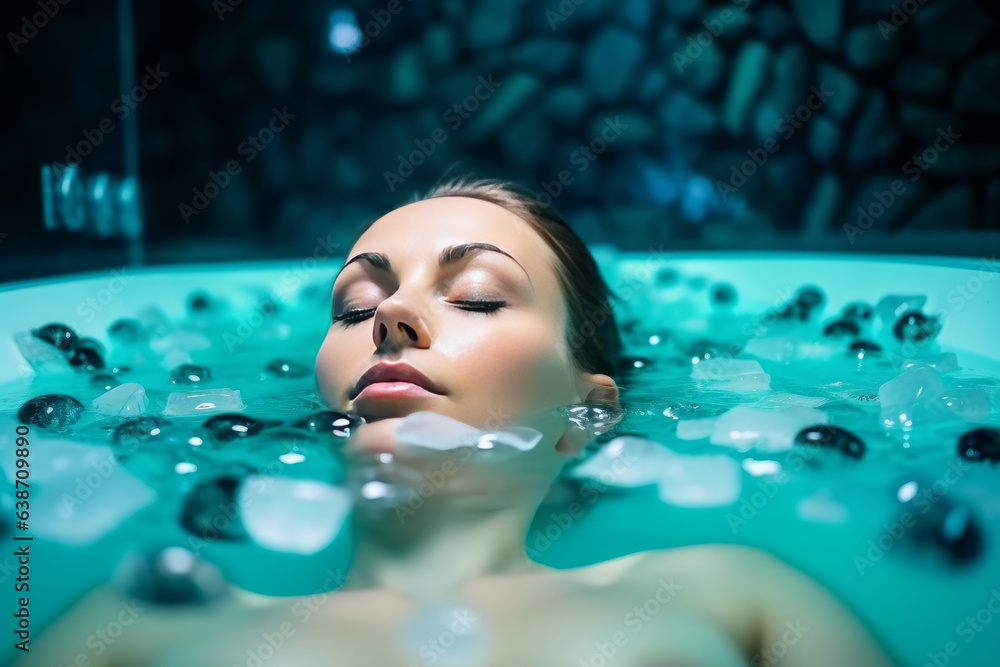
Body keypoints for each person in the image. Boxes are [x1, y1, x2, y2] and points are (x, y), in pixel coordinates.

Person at [16, 173, 897, 667]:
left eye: (476, 296)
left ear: (587, 409)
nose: (391, 316)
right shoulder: (140, 619)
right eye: (356, 305)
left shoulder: (726, 588)